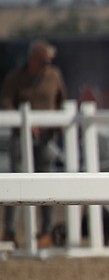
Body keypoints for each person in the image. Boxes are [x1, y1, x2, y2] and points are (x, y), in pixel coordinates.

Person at [2, 39, 67, 248]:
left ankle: (45, 231)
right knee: (16, 181)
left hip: (46, 137)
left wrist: (59, 123)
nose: (46, 65)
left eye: (49, 61)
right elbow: (6, 103)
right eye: (43, 61)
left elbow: (61, 101)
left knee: (47, 182)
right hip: (21, 137)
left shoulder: (54, 76)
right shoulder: (15, 77)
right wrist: (25, 124)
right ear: (33, 59)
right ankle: (9, 231)